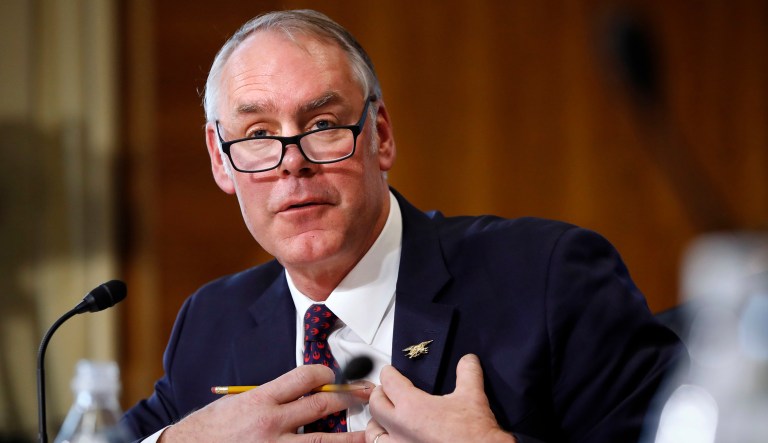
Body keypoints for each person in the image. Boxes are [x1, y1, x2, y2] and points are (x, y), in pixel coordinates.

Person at [121, 9, 685, 443]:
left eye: (322, 123)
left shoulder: (547, 279)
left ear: (380, 136)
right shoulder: (210, 323)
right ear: (221, 160)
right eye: (258, 135)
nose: (293, 160)